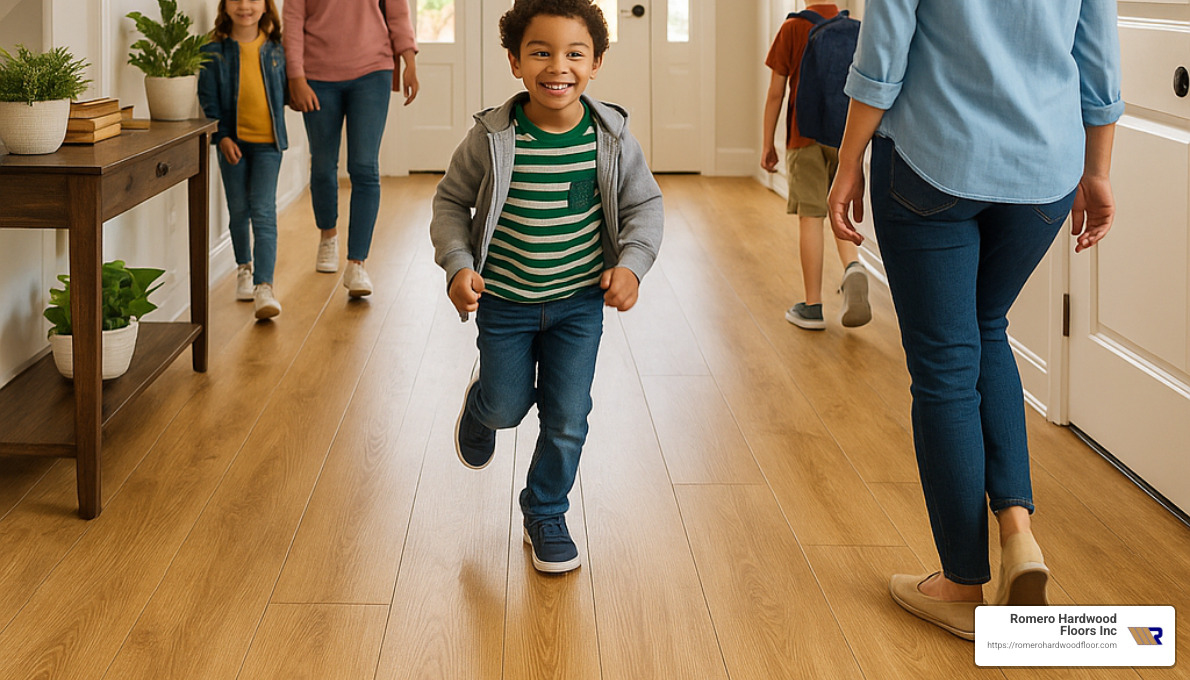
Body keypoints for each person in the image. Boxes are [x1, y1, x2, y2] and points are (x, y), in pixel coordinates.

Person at [827, 0, 1122, 640]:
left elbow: (883, 50)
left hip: (932, 161)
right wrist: (1097, 170)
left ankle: (962, 582)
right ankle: (1018, 530)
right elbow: (1097, 60)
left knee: (944, 368)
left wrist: (848, 160)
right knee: (988, 325)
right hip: (1044, 172)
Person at [430, 0, 663, 574]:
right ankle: (484, 404)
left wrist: (631, 264)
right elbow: (450, 202)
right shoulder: (492, 137)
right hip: (505, 302)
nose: (557, 66)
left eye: (574, 53)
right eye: (540, 52)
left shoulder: (609, 138)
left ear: (597, 63)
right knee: (509, 407)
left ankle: (546, 510)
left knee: (567, 415)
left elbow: (644, 206)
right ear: (514, 62)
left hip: (578, 305)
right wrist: (458, 264)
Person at [283, 0, 419, 297]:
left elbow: (398, 13)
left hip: (373, 71)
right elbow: (292, 20)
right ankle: (328, 235)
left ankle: (357, 263)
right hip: (317, 75)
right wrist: (295, 77)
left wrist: (409, 62)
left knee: (364, 167)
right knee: (322, 164)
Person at [761, 4, 871, 331]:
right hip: (844, 136)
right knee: (838, 209)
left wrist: (769, 143)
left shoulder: (793, 28)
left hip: (804, 134)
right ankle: (853, 267)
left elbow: (775, 94)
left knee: (811, 215)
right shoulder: (854, 27)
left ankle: (812, 306)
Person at [199, 0, 289, 320]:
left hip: (269, 145)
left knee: (263, 211)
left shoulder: (278, 50)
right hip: (231, 144)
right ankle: (244, 269)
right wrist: (221, 137)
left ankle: (264, 286)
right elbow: (208, 101)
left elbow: (290, 92)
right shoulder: (214, 52)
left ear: (265, 7)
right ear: (225, 7)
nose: (244, 6)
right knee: (239, 209)